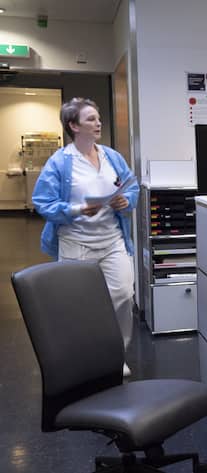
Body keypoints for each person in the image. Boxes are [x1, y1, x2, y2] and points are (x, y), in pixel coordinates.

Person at [32, 97, 140, 378]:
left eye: (98, 117)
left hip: (113, 240)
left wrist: (125, 201)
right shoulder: (60, 162)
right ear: (73, 126)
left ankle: (117, 355)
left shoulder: (111, 156)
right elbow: (42, 202)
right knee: (80, 306)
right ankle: (86, 360)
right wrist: (78, 209)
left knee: (124, 296)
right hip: (76, 241)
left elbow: (132, 186)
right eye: (91, 119)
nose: (98, 123)